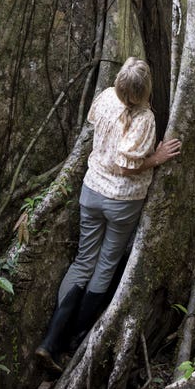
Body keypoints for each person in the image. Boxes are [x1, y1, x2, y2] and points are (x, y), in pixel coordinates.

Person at [36, 57, 181, 372]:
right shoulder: (144, 119)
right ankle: (74, 338)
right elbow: (126, 164)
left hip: (91, 192)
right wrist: (156, 157)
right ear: (146, 92)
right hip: (122, 201)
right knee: (105, 265)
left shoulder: (104, 98)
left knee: (83, 262)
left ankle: (50, 341)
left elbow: (95, 126)